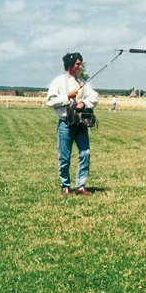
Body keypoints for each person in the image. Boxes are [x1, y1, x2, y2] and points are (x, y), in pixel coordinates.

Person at [46, 52, 99, 195]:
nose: (80, 66)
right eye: (77, 64)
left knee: (85, 153)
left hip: (81, 124)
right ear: (70, 65)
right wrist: (67, 97)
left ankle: (80, 186)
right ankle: (65, 186)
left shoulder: (83, 82)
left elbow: (94, 97)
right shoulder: (58, 81)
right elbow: (50, 101)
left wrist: (83, 102)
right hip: (65, 124)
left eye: (80, 63)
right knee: (64, 157)